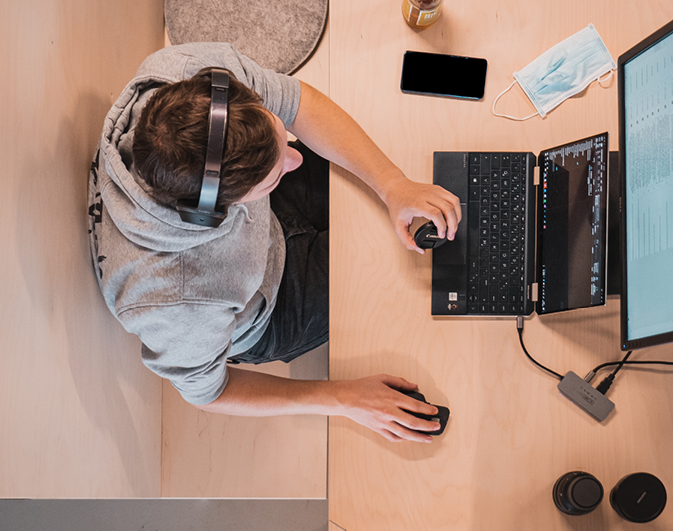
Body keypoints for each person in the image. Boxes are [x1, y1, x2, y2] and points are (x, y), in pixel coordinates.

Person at [88, 43, 461, 443]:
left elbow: (299, 104)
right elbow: (210, 393)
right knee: (400, 277)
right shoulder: (175, 300)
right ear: (219, 211)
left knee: (418, 208)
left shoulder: (182, 73)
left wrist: (393, 184)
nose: (296, 160)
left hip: (266, 224)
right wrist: (345, 398)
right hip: (272, 304)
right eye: (275, 173)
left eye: (279, 137)